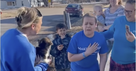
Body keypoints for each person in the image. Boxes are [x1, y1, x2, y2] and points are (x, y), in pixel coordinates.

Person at [102, 0, 136, 71]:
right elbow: (109, 33)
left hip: (131, 65)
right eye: (125, 10)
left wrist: (134, 41)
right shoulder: (118, 20)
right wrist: (93, 36)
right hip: (114, 63)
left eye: (130, 11)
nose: (126, 14)